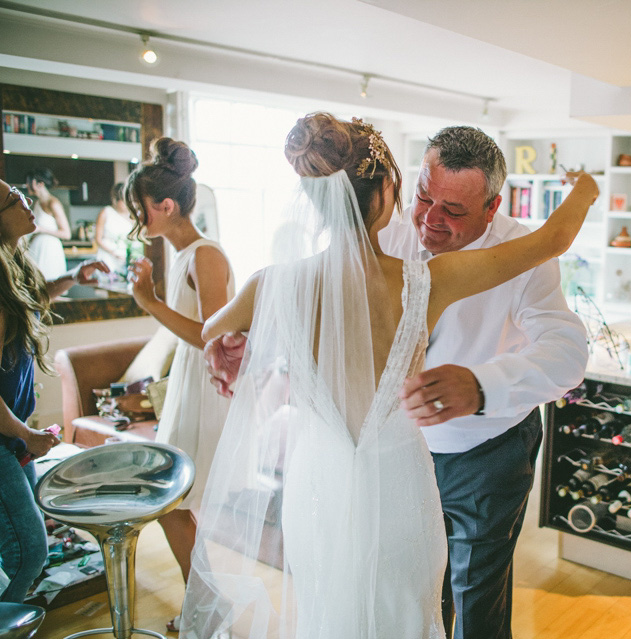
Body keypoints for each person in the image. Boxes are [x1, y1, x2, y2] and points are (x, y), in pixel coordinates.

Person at [181, 113, 597, 639]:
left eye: (453, 210)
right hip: (385, 469)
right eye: (423, 197)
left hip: (483, 454)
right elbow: (333, 343)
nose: (430, 220)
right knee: (401, 602)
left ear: (493, 206)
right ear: (394, 189)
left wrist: (483, 384)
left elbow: (567, 350)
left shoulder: (276, 283)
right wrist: (586, 188)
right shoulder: (410, 264)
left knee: (471, 596)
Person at [124, 139, 234, 633]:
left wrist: (149, 302)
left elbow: (212, 337)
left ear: (165, 206)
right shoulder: (184, 254)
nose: (134, 217)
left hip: (206, 394)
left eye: (138, 208)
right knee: (175, 505)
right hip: (187, 388)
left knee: (174, 504)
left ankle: (207, 611)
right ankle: (207, 606)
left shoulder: (206, 256)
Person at [0, 179, 108, 602]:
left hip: (12, 433)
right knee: (28, 553)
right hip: (7, 435)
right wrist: (25, 435)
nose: (27, 203)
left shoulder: (12, 263)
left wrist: (72, 278)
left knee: (21, 549)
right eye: (14, 200)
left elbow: (30, 301)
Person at [24, 168, 70, 279]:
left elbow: (66, 234)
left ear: (40, 184)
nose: (27, 185)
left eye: (30, 182)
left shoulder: (53, 203)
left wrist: (41, 229)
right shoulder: (37, 203)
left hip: (49, 252)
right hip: (37, 251)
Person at [94, 182, 134, 274]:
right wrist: (114, 253)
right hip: (107, 256)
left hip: (124, 259)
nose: (127, 204)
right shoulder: (106, 212)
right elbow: (98, 239)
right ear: (115, 200)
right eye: (123, 201)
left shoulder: (132, 216)